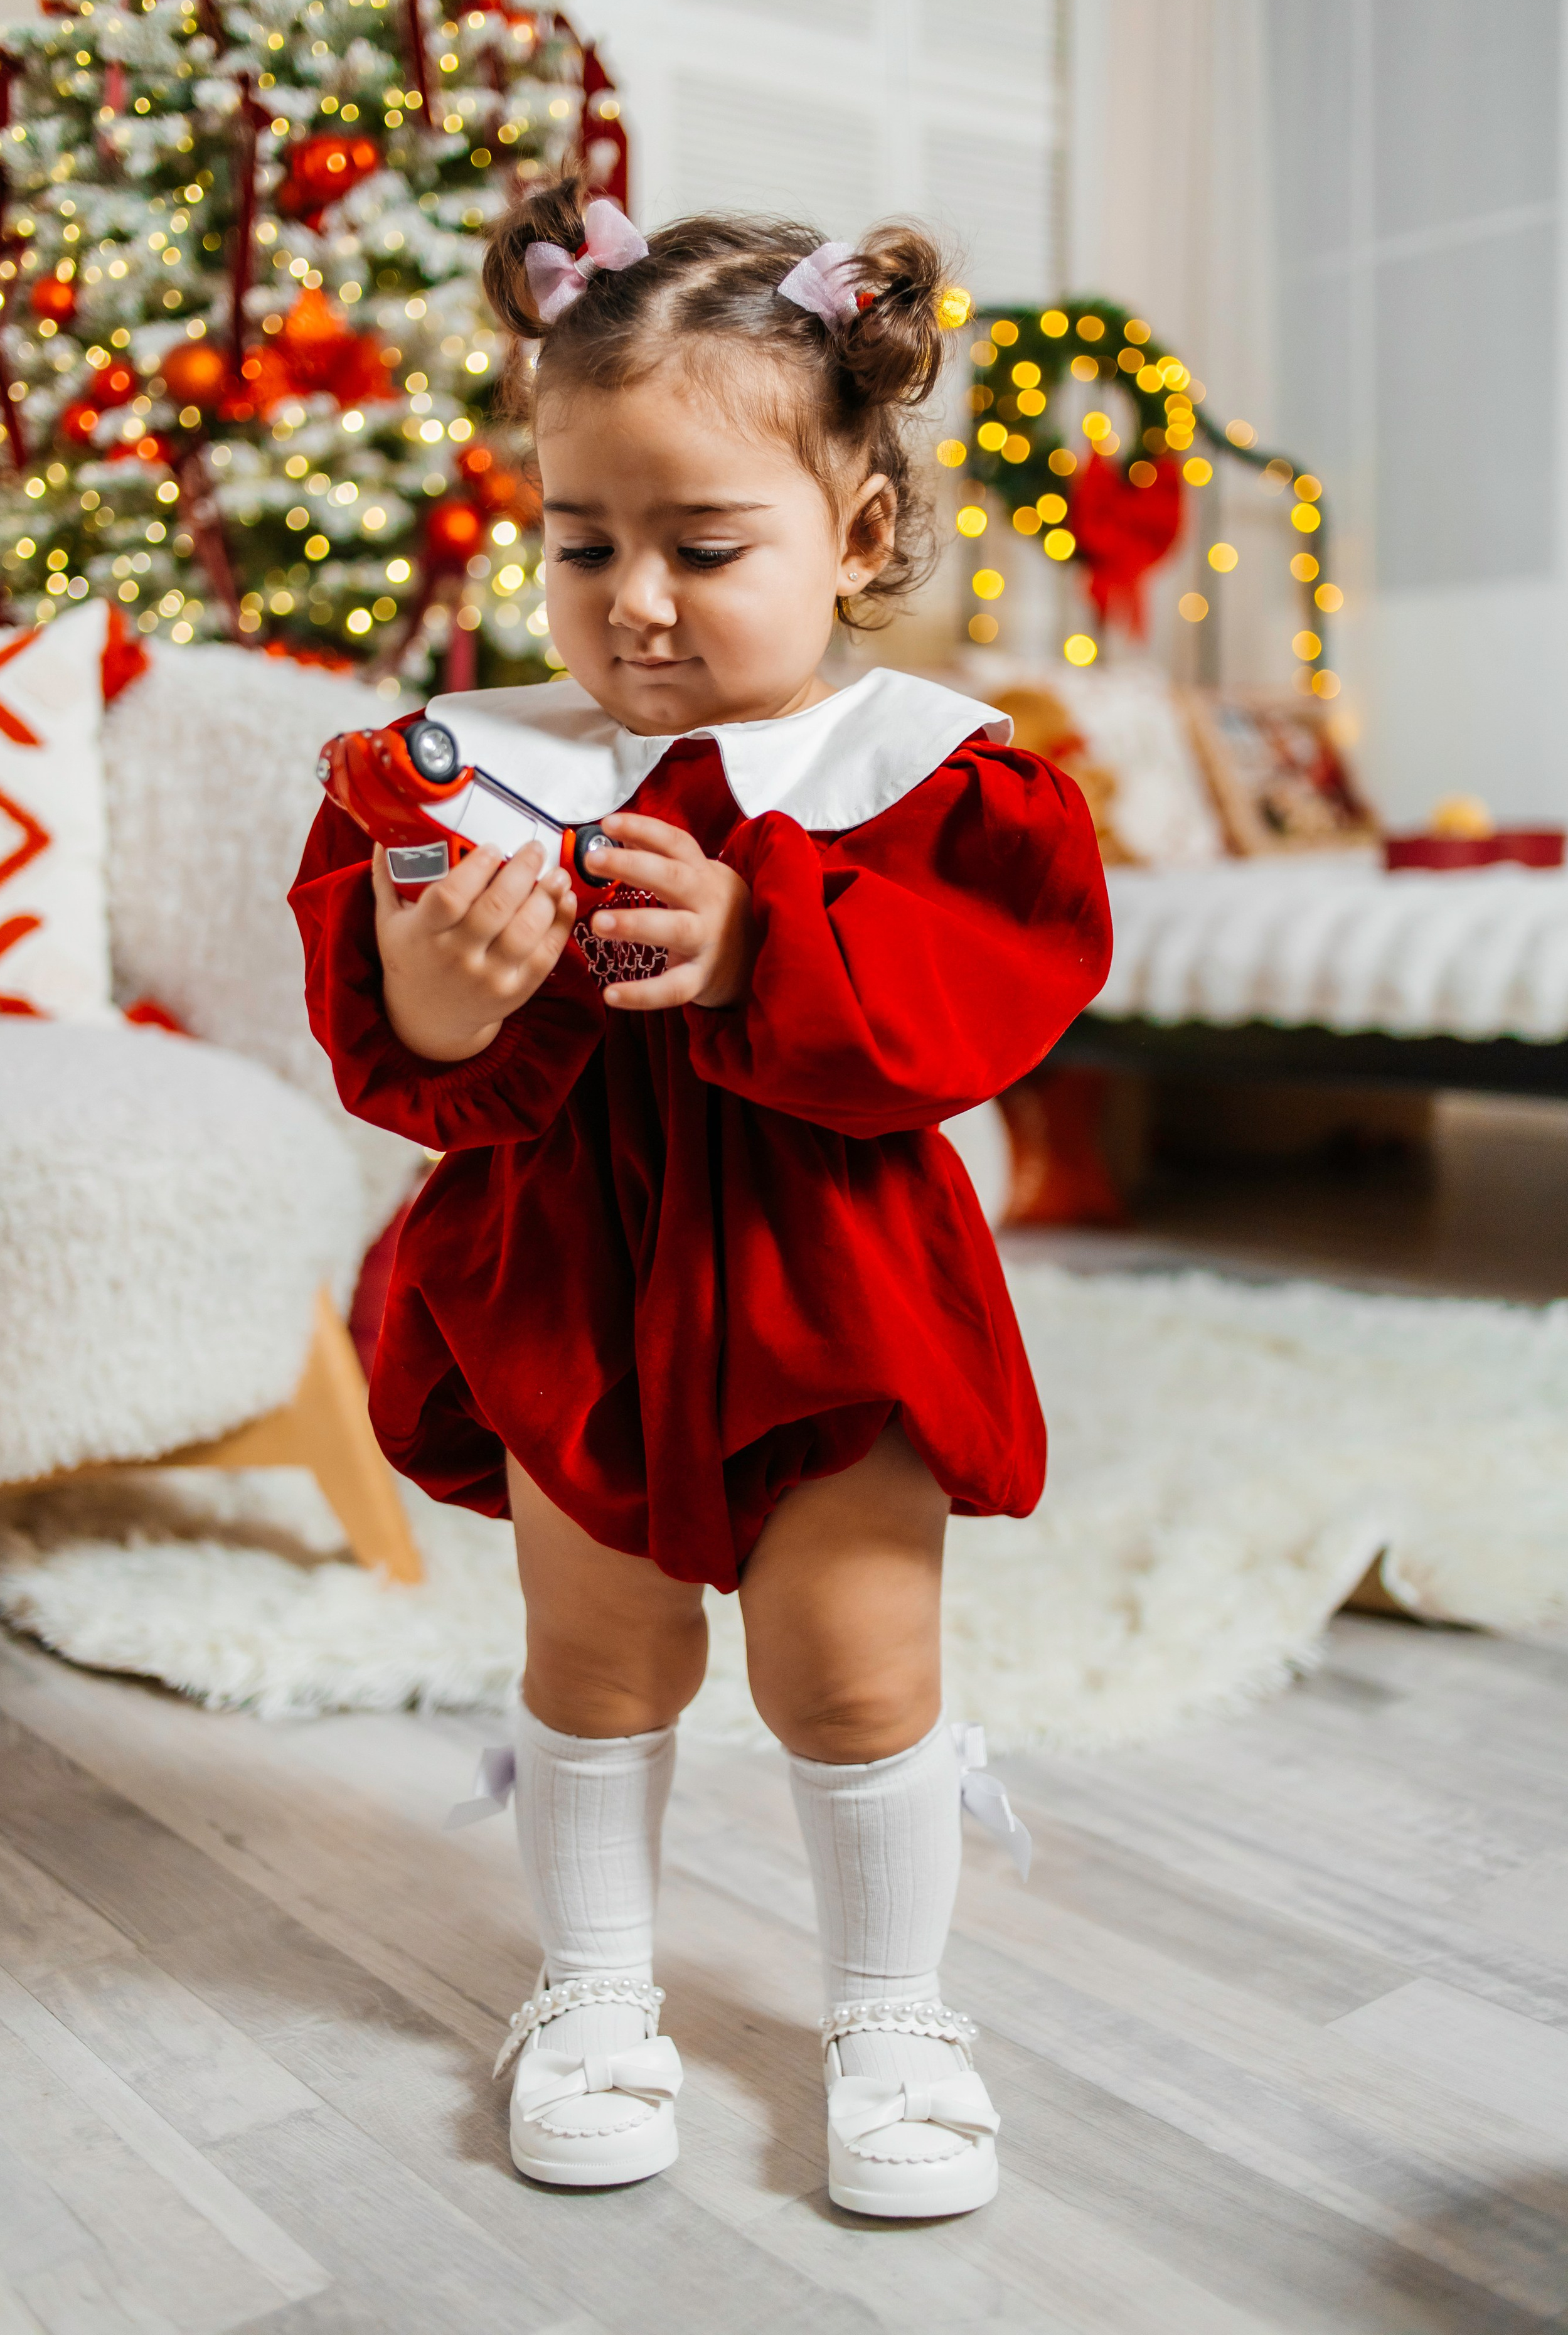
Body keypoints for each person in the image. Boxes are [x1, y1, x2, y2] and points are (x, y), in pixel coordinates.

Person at [291, 182, 1111, 2218]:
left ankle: (897, 2013)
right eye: (585, 542)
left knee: (854, 1666)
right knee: (599, 1652)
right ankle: (587, 1987)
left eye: (704, 545)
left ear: (853, 535)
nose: (634, 599)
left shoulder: (920, 766)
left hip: (827, 1273)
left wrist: (770, 944)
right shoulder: (480, 765)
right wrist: (441, 983)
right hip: (573, 1264)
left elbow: (991, 997)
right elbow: (400, 1046)